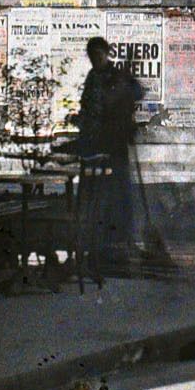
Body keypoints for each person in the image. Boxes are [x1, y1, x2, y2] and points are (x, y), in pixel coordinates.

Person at [76, 37, 143, 267]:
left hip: (115, 143)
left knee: (119, 192)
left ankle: (122, 241)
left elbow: (136, 93)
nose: (95, 59)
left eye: (98, 55)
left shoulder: (116, 75)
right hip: (95, 143)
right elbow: (88, 107)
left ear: (106, 54)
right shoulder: (92, 78)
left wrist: (124, 93)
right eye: (91, 56)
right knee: (96, 193)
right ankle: (99, 243)